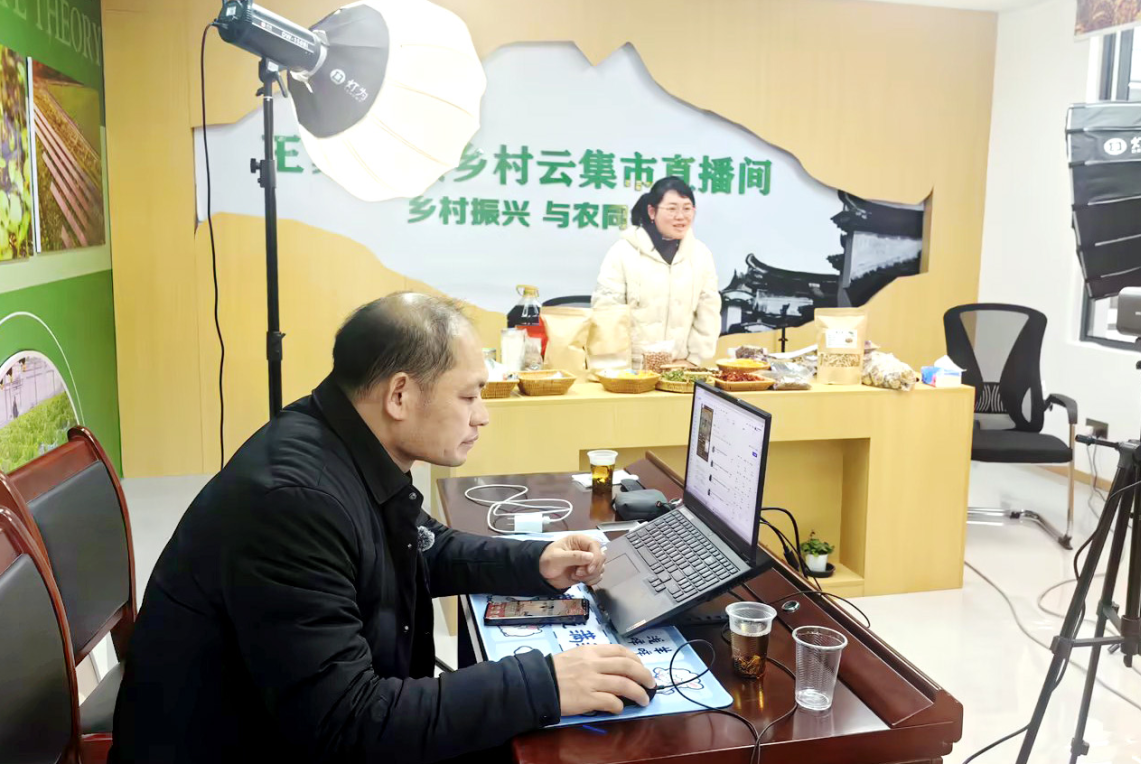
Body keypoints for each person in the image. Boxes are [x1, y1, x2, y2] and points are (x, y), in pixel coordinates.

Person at [110, 293, 656, 764]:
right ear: (400, 395)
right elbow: (348, 723)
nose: (482, 416)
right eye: (468, 396)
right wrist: (545, 682)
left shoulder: (340, 436)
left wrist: (534, 561)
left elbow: (421, 544)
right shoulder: (295, 503)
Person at [592, 176, 722, 369]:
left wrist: (693, 360)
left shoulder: (701, 255)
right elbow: (607, 313)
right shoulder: (623, 252)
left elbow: (708, 310)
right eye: (672, 209)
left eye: (687, 208)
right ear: (652, 211)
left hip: (680, 368)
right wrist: (620, 369)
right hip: (631, 369)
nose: (681, 216)